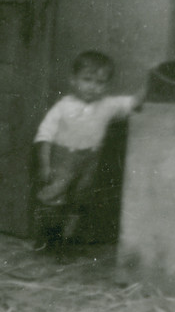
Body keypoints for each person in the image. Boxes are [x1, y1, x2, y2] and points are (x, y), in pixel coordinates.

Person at [33, 51, 140, 251]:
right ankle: (46, 237)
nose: (92, 87)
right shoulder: (63, 107)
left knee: (80, 199)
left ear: (107, 85)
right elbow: (44, 136)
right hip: (64, 158)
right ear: (73, 80)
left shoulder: (107, 105)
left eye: (100, 82)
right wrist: (45, 165)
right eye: (87, 80)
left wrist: (152, 79)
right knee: (53, 196)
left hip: (90, 160)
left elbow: (133, 103)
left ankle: (67, 241)